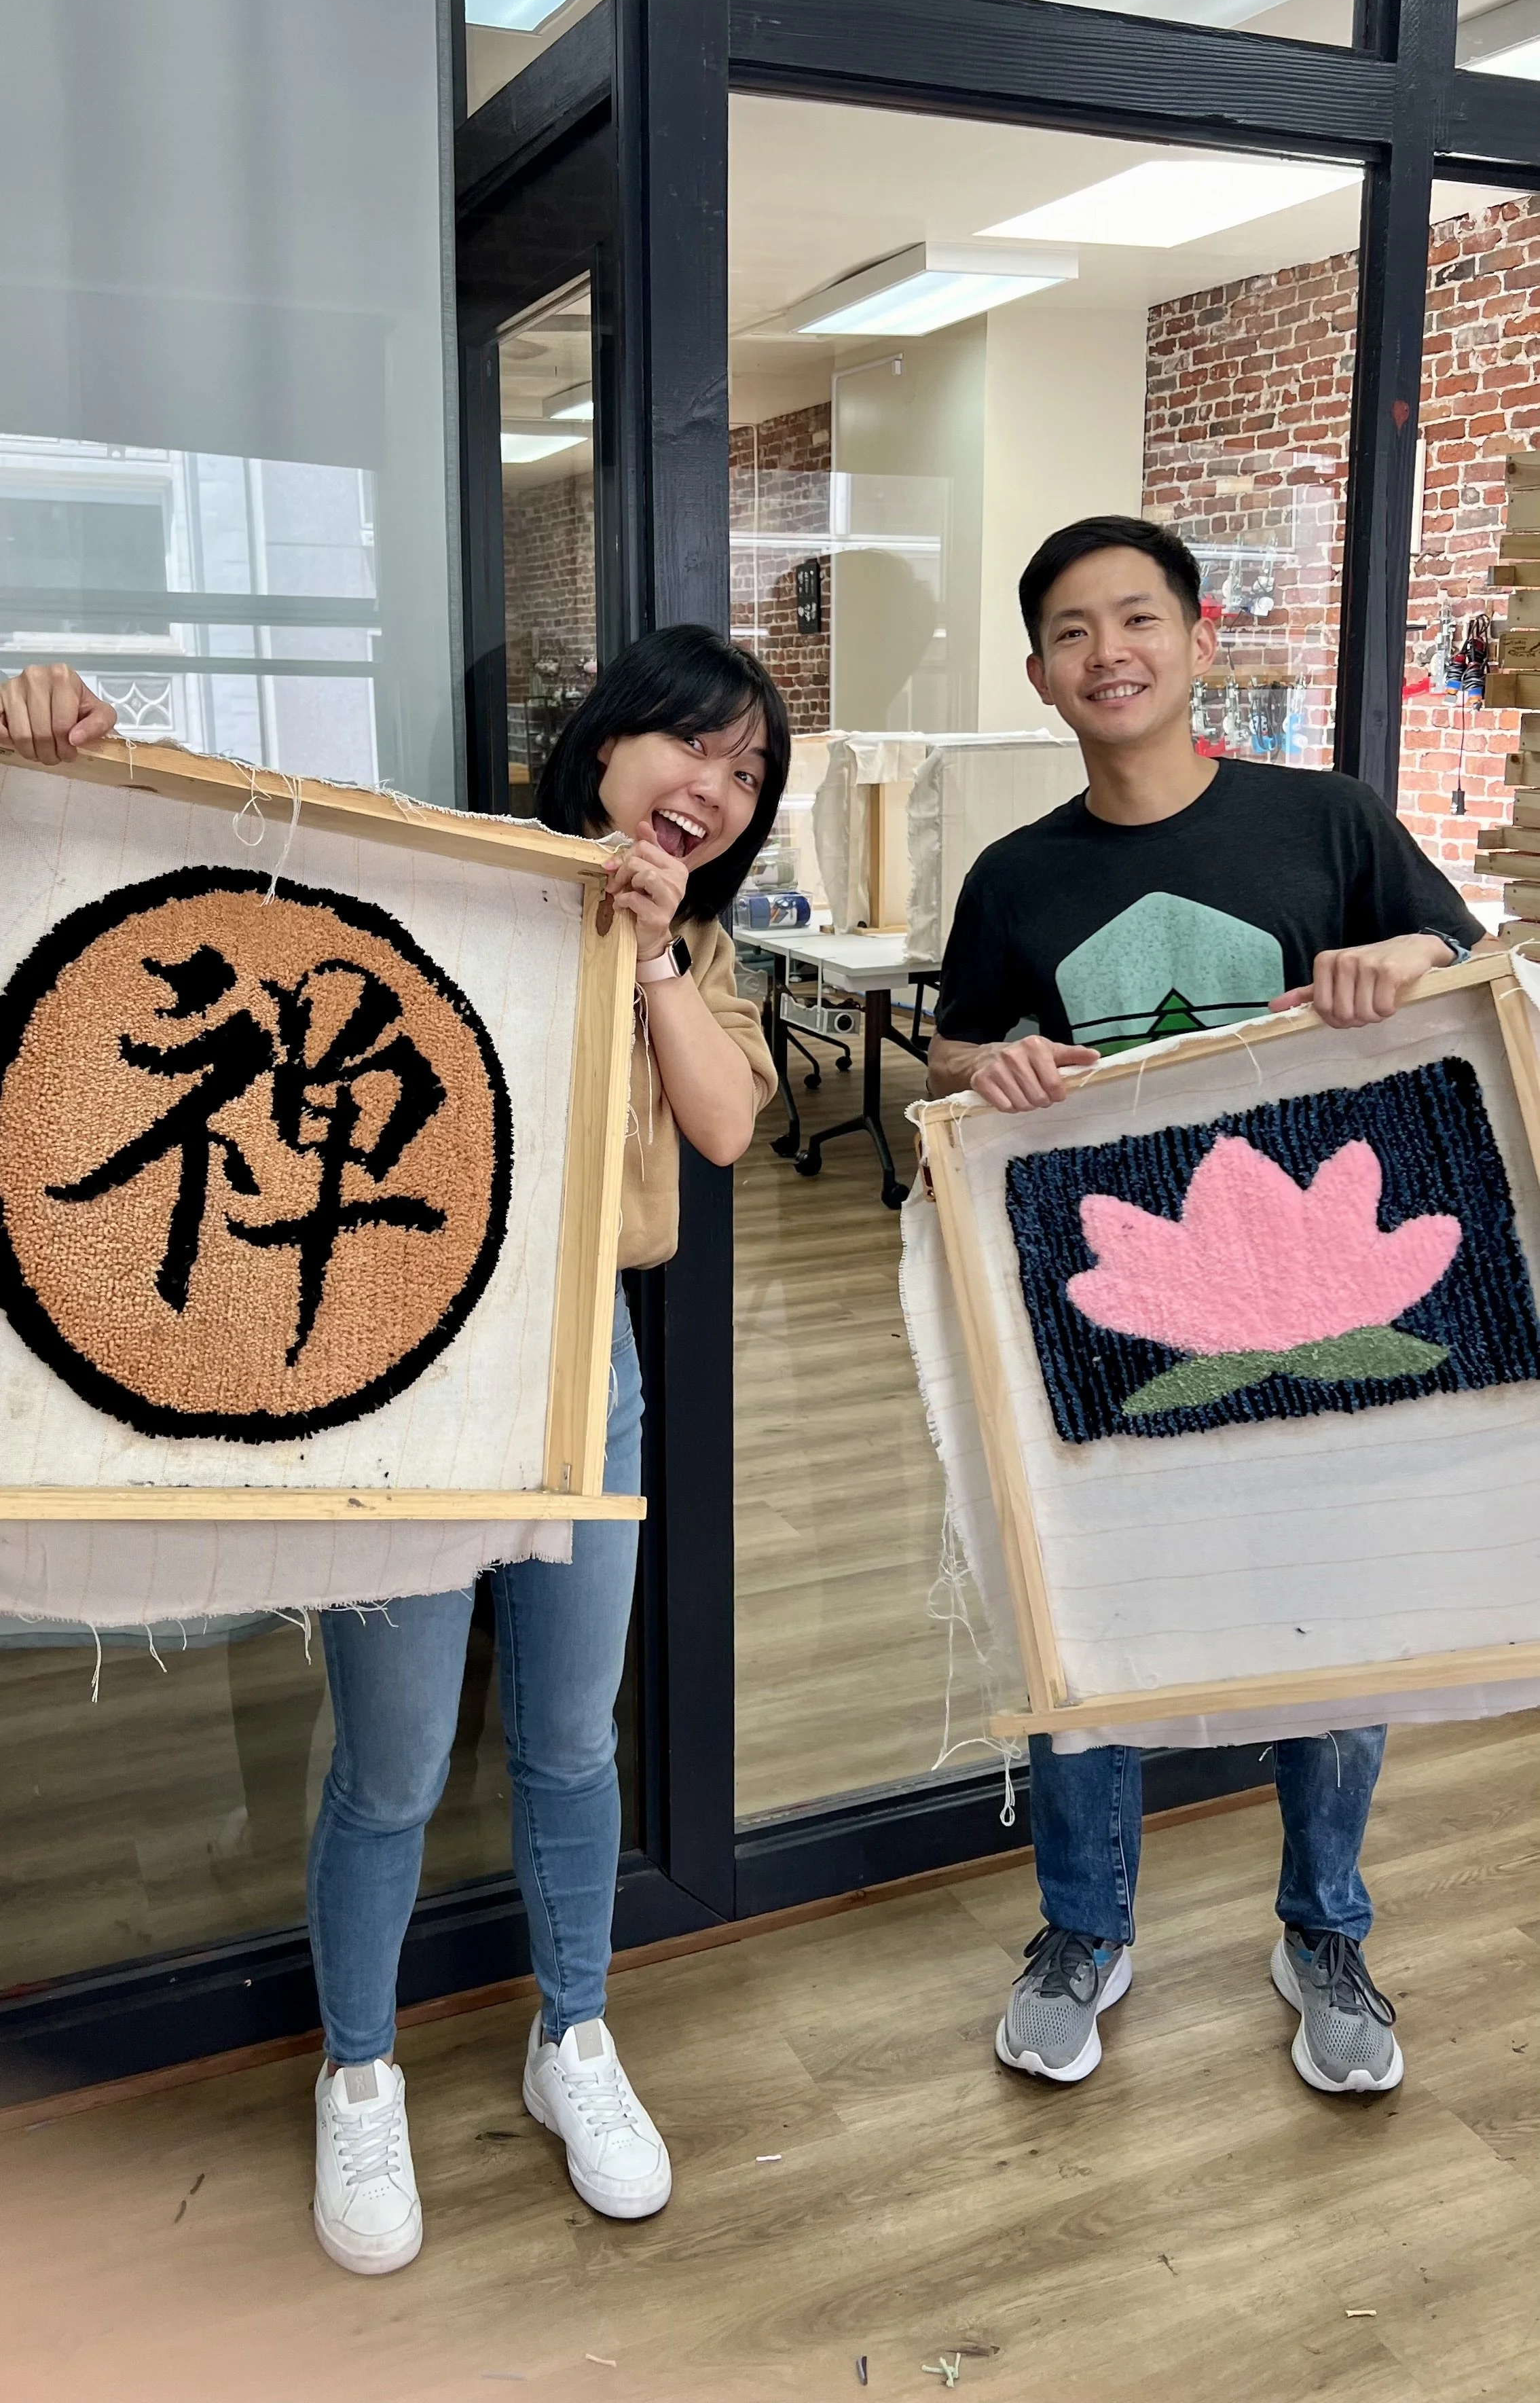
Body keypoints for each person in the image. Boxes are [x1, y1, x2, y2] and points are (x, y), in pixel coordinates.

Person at [0, 635, 787, 2272]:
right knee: (396, 1767)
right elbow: (229, 872)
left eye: (749, 775)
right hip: (403, 1382)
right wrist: (61, 734)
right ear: (607, 745)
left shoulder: (691, 945)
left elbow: (724, 1128)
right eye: (692, 748)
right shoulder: (457, 871)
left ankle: (571, 2037)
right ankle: (360, 2074)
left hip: (591, 1377)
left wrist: (647, 960)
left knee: (575, 1746)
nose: (715, 788)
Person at [927, 516, 1488, 2102]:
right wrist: (991, 1062)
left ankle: (1323, 1929)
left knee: (1334, 1622)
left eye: (1139, 619)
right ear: (1040, 674)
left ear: (1197, 634)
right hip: (1119, 1304)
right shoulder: (1016, 876)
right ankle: (1085, 1932)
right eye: (1074, 633)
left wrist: (1402, 955)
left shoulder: (1326, 820)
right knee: (1090, 1616)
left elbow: (1461, 954)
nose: (1110, 653)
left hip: (1326, 1285)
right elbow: (953, 1057)